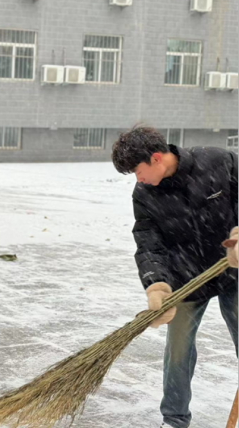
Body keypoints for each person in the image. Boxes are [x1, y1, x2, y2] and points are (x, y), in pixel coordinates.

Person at [112, 124, 238, 428]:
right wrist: (157, 284)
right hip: (186, 279)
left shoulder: (217, 161)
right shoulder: (145, 194)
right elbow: (148, 241)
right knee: (178, 353)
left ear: (157, 158)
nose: (137, 179)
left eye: (137, 170)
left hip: (234, 271)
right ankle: (174, 420)